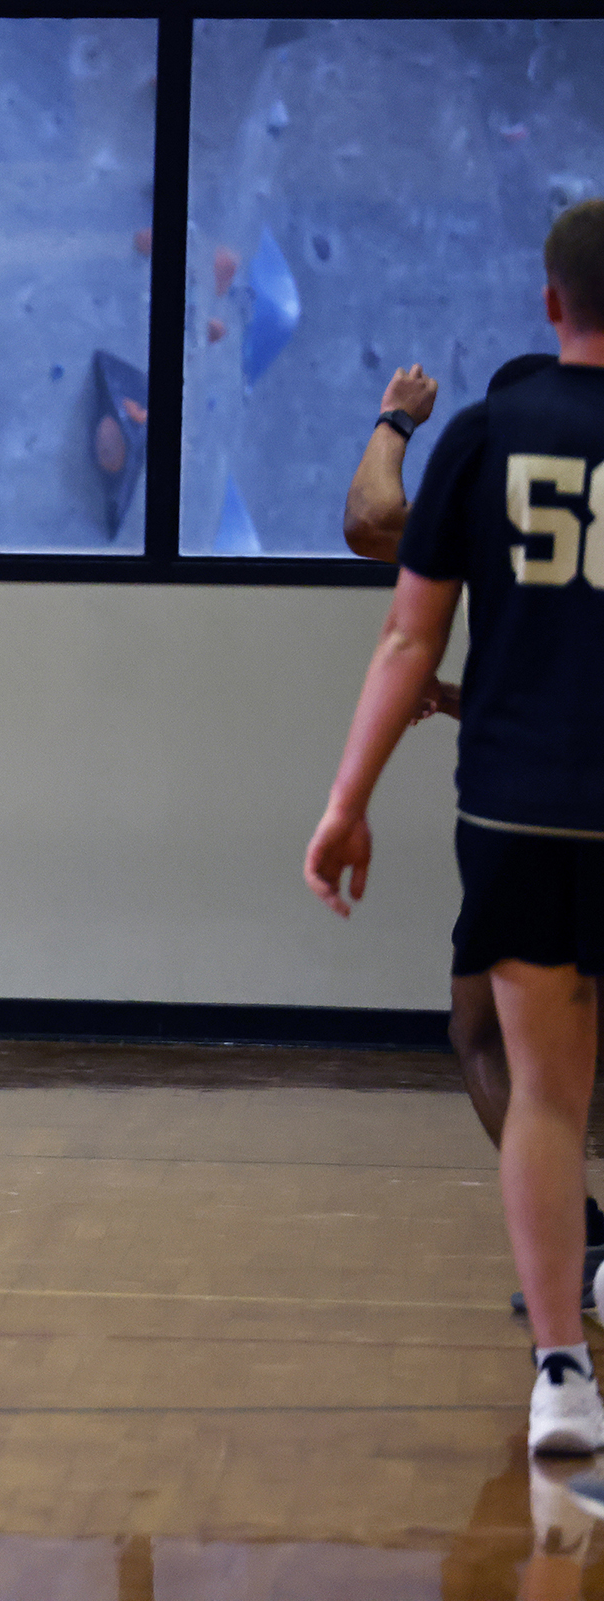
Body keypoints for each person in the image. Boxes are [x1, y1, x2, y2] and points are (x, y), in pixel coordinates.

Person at [305, 199, 604, 1456]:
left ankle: (560, 1369)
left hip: (529, 800)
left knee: (531, 1076)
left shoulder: (489, 436)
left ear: (549, 306)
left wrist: (346, 799)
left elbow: (384, 556)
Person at [341, 353, 604, 1318]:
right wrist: (469, 699)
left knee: (496, 1037)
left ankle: (572, 1292)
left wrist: (395, 422)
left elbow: (370, 521)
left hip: (531, 806)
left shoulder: (501, 467)